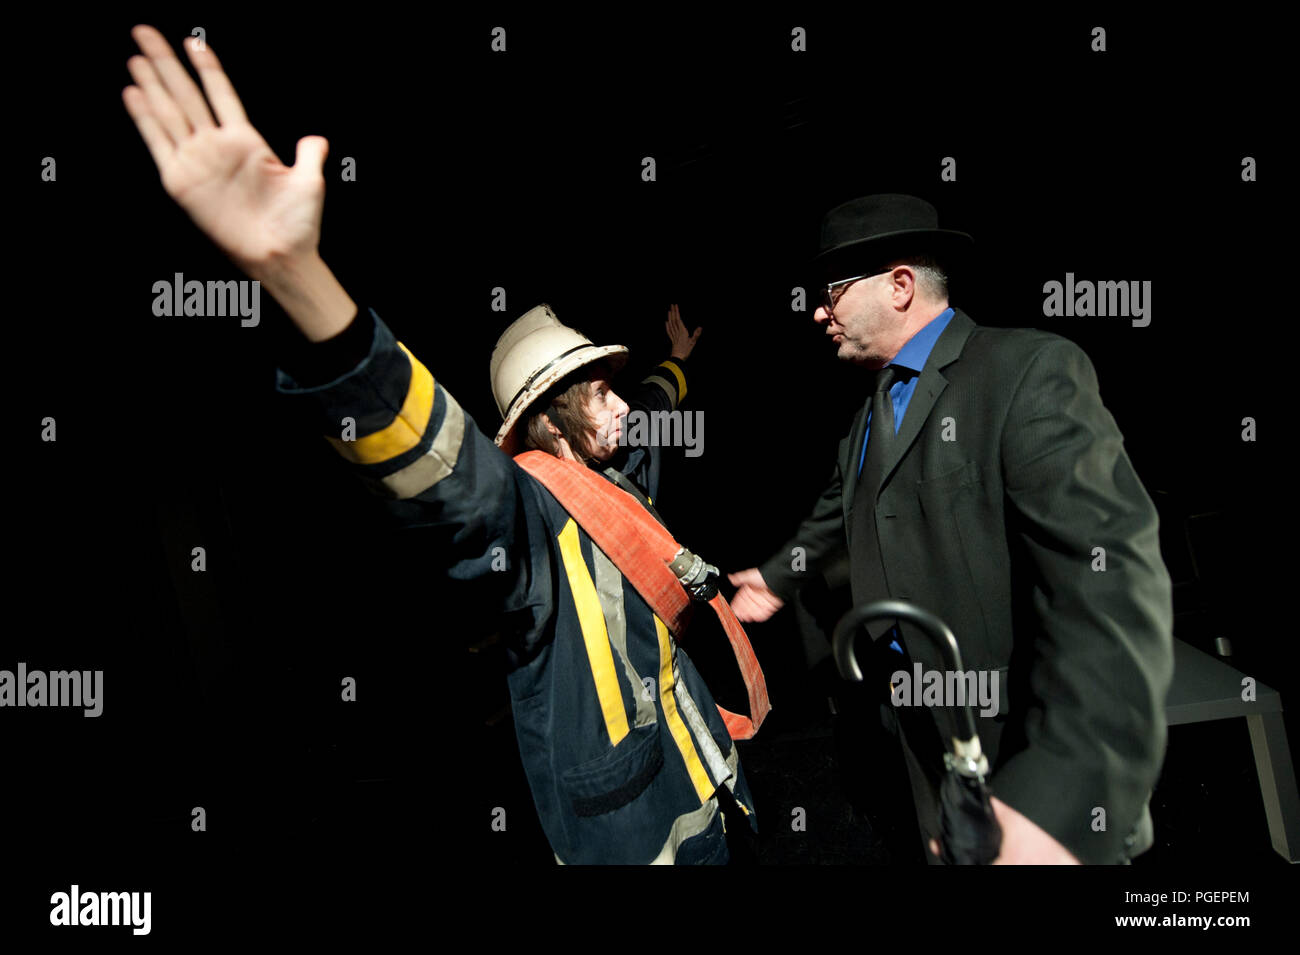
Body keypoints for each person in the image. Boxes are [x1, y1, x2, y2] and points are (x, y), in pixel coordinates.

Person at [120, 24, 759, 864]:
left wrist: (676, 363)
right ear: (553, 416)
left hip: (712, 798)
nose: (622, 402)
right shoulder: (529, 519)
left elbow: (647, 401)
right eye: (596, 388)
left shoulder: (616, 468)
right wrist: (301, 280)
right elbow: (450, 472)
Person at [729, 194, 1174, 864]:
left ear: (900, 285)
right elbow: (833, 513)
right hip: (919, 731)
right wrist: (774, 576)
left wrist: (1059, 796)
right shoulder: (868, 417)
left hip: (1015, 746)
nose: (819, 312)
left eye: (831, 294)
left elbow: (1108, 585)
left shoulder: (1025, 372)